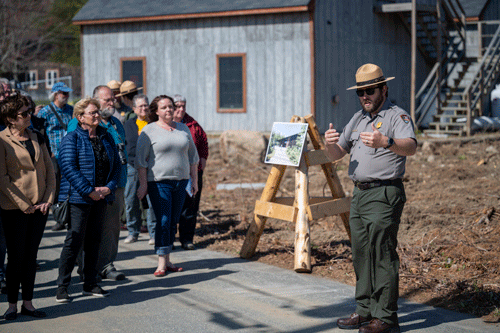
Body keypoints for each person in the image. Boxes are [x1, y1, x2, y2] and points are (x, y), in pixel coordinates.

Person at [325, 64, 417, 333]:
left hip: (384, 193)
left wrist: (386, 142)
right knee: (361, 254)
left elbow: (411, 147)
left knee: (382, 254)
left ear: (383, 89)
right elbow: (336, 154)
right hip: (360, 195)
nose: (365, 96)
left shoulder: (396, 117)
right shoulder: (357, 119)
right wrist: (329, 142)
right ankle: (365, 311)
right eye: (360, 92)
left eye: (370, 90)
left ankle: (386, 318)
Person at [55, 97, 120, 303]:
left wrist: (108, 188)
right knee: (74, 241)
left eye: (97, 111)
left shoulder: (106, 137)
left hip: (101, 198)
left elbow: (116, 167)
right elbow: (68, 168)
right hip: (79, 199)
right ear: (80, 117)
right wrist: (89, 190)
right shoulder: (72, 138)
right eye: (92, 112)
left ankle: (90, 283)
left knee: (94, 240)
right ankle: (62, 287)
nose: (97, 115)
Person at [0, 93, 56, 319]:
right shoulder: (2, 140)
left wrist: (48, 200)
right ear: (11, 118)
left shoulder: (37, 136)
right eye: (24, 113)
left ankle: (28, 303)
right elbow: (2, 178)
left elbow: (50, 171)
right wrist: (23, 204)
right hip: (15, 208)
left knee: (31, 256)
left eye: (29, 111)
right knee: (15, 257)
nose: (29, 116)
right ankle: (12, 305)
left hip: (40, 207)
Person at [136, 95, 199, 277]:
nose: (169, 110)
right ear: (156, 111)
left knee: (173, 220)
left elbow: (193, 158)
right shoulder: (149, 131)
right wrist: (143, 185)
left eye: (171, 107)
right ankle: (161, 262)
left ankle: (168, 259)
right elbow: (141, 162)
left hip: (181, 182)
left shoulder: (183, 129)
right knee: (163, 219)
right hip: (158, 182)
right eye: (164, 107)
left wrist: (194, 181)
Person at [173, 94, 209, 250]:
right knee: (172, 206)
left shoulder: (193, 124)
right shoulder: (165, 124)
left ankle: (187, 239)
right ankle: (168, 239)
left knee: (190, 206)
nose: (181, 109)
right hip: (172, 172)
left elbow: (203, 142)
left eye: (183, 106)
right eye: (178, 106)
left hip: (192, 171)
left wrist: (203, 158)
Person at [37, 82, 74, 231]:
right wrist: (46, 151)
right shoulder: (45, 112)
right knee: (56, 186)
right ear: (55, 94)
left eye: (67, 93)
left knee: (70, 186)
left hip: (69, 153)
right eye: (63, 93)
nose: (66, 96)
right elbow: (39, 133)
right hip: (53, 154)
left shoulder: (71, 110)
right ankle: (59, 217)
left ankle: (69, 215)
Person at [124, 94, 156, 245]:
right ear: (134, 109)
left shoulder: (154, 124)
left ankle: (153, 233)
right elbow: (126, 146)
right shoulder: (128, 125)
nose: (144, 108)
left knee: (151, 202)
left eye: (146, 105)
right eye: (140, 106)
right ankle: (133, 231)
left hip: (151, 168)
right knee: (131, 200)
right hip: (132, 167)